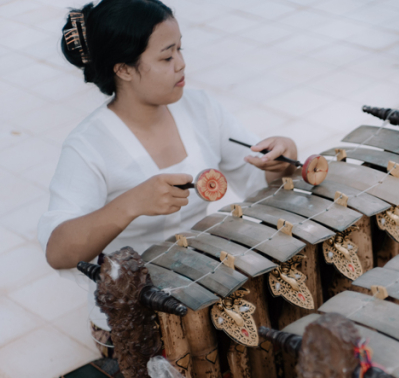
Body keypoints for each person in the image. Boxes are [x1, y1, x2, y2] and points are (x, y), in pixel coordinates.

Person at [38, 0, 297, 348]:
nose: (181, 63)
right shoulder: (88, 146)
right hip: (135, 316)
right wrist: (130, 204)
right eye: (166, 57)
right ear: (124, 69)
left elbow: (256, 177)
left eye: (180, 49)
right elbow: (58, 251)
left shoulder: (201, 108)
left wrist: (281, 158)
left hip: (203, 288)